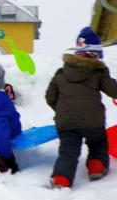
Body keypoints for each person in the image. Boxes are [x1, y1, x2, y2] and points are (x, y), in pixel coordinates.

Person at [45, 28, 117, 189]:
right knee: (98, 143)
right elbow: (114, 90)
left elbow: (50, 97)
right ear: (95, 54)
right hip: (93, 122)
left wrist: (62, 111)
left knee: (68, 151)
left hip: (67, 122)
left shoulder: (61, 73)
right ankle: (96, 167)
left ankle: (61, 180)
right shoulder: (98, 72)